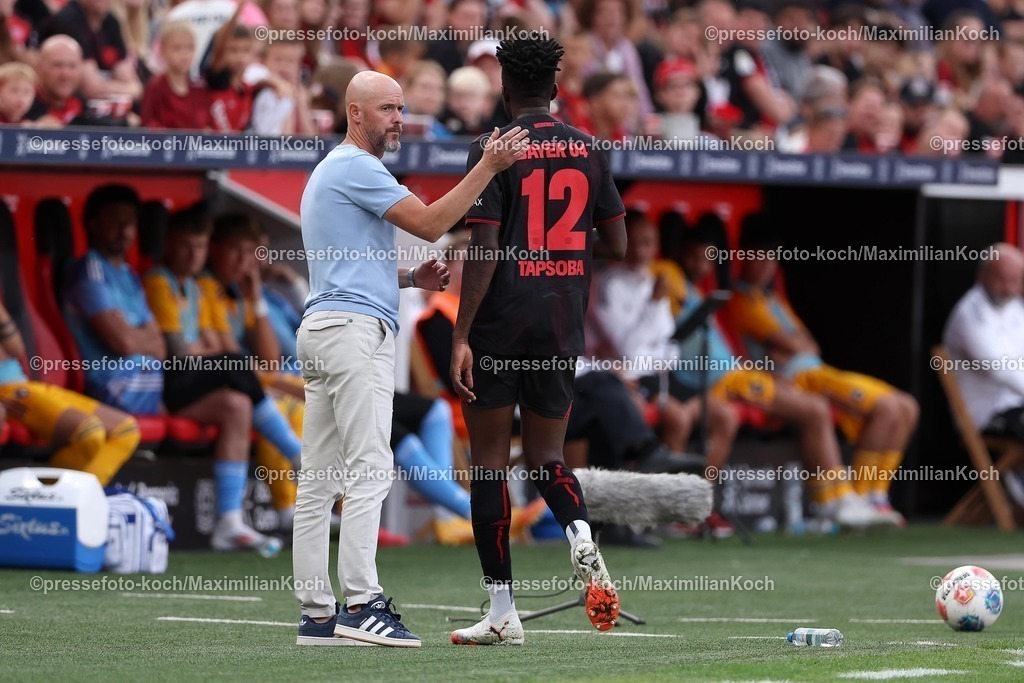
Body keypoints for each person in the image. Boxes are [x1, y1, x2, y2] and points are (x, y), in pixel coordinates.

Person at [292, 69, 528, 647]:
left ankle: (318, 615)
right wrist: (488, 166)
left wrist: (406, 277)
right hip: (352, 333)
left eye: (401, 108)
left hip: (324, 327)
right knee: (370, 468)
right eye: (387, 109)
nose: (399, 119)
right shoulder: (358, 166)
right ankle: (361, 604)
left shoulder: (333, 169)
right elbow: (431, 223)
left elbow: (344, 266)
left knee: (319, 481)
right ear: (355, 113)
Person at [447, 37, 627, 647]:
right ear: (555, 85)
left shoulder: (493, 149)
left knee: (489, 463)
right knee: (548, 458)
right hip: (560, 323)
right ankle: (581, 533)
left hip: (500, 323)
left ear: (503, 87)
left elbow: (484, 247)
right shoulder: (589, 149)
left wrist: (462, 332)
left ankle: (502, 611)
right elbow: (618, 244)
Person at [63, 187, 277, 555]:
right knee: (235, 366)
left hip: (154, 381)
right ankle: (295, 452)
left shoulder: (128, 273)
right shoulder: (90, 270)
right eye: (114, 221)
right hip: (117, 385)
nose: (124, 230)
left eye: (130, 223)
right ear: (92, 224)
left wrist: (141, 338)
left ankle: (228, 523)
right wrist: (141, 338)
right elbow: (124, 343)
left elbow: (158, 345)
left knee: (237, 405)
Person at [723, 215, 918, 525]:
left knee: (907, 405)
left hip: (818, 369)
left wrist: (797, 344)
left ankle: (876, 496)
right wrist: (796, 344)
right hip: (799, 379)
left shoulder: (774, 300)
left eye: (771, 258)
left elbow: (809, 345)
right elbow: (795, 344)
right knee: (887, 408)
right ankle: (857, 496)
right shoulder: (742, 300)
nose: (765, 265)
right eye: (758, 257)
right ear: (744, 257)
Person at [0, 299, 139, 485]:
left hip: (28, 386)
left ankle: (85, 493)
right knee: (89, 433)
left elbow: (16, 349)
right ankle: (53, 492)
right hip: (8, 393)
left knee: (126, 430)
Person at [943, 244, 1024, 438]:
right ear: (982, 275)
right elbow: (1000, 369)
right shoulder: (970, 313)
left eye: (1014, 280)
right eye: (1001, 279)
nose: (1008, 288)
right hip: (986, 415)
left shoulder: (1015, 307)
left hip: (1016, 407)